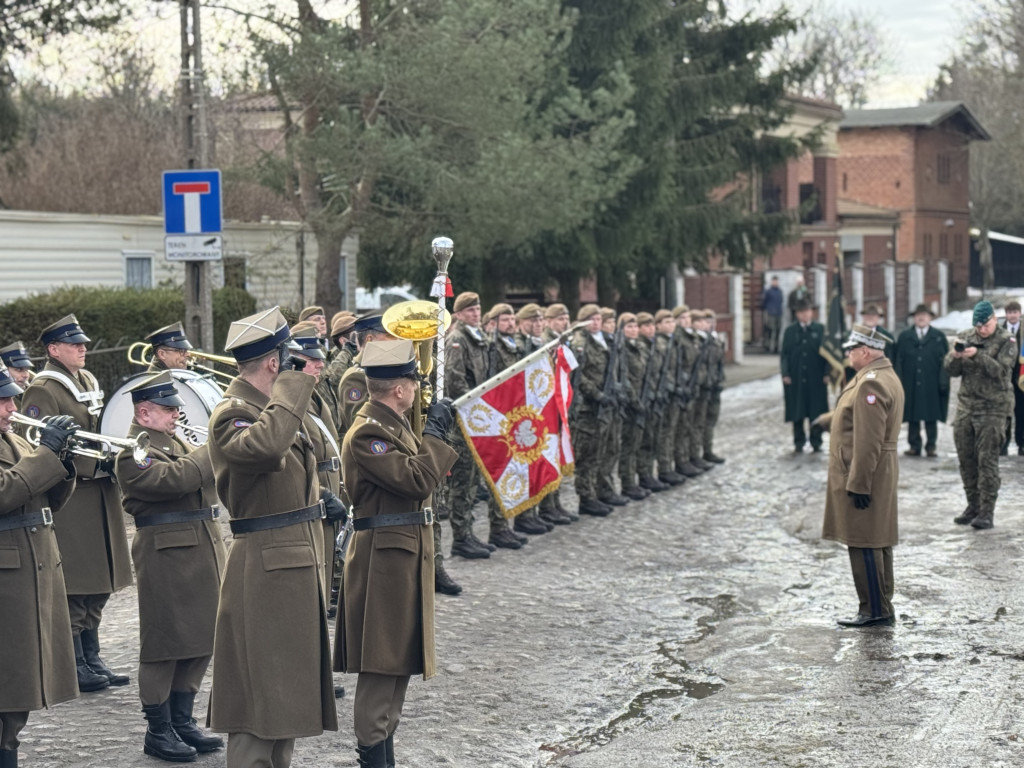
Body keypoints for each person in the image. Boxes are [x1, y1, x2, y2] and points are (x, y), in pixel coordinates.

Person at [206, 307, 337, 768]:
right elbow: (266, 450)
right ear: (273, 363)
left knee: (284, 707)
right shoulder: (232, 414)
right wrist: (291, 389)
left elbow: (296, 469)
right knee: (257, 704)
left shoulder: (269, 410)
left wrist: (320, 501)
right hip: (263, 567)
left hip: (291, 563)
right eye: (289, 359)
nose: (300, 368)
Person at [335, 339, 458, 768]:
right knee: (380, 666)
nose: (417, 390)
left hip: (401, 557)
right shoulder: (369, 432)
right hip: (382, 561)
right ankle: (372, 755)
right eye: (413, 381)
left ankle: (384, 751)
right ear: (400, 389)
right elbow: (415, 480)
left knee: (398, 664)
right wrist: (436, 438)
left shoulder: (394, 425)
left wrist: (430, 435)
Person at [113, 372, 227, 762]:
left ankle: (182, 719)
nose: (178, 412)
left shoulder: (176, 440)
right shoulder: (134, 450)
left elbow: (205, 485)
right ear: (144, 412)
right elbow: (173, 480)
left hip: (200, 548)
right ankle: (158, 728)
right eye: (168, 408)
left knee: (201, 639)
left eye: (176, 406)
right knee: (164, 644)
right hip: (166, 555)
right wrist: (213, 449)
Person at [21, 314, 133, 691]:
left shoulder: (86, 379)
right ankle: (75, 661)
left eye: (83, 343)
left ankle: (92, 655)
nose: (84, 348)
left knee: (100, 581)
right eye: (75, 344)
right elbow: (37, 441)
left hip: (100, 489)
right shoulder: (44, 388)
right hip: (74, 496)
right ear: (54, 350)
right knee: (77, 584)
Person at [0, 365, 80, 766]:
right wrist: (46, 455)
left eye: (12, 397)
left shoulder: (12, 439)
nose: (11, 407)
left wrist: (61, 463)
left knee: (20, 687)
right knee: (7, 682)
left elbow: (44, 502)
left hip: (31, 572)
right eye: (3, 400)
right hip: (7, 580)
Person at [820, 324, 904, 628]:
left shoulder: (871, 383)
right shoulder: (882, 375)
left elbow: (869, 439)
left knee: (865, 541)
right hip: (878, 469)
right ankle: (880, 604)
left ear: (864, 352)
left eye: (851, 349)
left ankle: (874, 610)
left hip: (866, 472)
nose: (847, 354)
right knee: (877, 540)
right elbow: (859, 418)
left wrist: (858, 483)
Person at [945, 300, 1017, 529]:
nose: (981, 330)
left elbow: (1002, 371)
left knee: (987, 461)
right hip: (967, 407)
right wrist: (955, 357)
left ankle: (987, 511)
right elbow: (950, 370)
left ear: (994, 320)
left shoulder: (1007, 341)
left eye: (985, 325)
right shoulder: (967, 336)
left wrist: (977, 354)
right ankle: (973, 505)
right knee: (966, 460)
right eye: (978, 326)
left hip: (993, 408)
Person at [444, 292, 496, 557]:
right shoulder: (457, 340)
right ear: (460, 313)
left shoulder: (478, 339)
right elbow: (454, 381)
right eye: (471, 310)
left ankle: (468, 533)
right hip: (464, 419)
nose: (477, 313)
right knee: (463, 481)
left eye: (478, 309)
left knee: (474, 480)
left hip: (477, 418)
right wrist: (477, 406)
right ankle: (460, 537)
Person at [569, 304, 614, 515]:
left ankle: (594, 493)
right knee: (586, 455)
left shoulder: (601, 340)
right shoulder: (580, 342)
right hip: (587, 407)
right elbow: (578, 374)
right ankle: (585, 497)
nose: (597, 323)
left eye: (599, 319)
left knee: (597, 452)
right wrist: (596, 394)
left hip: (601, 406)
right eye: (592, 319)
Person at [894, 304, 948, 457]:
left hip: (931, 382)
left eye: (924, 315)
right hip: (910, 382)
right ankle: (914, 445)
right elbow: (899, 361)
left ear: (930, 317)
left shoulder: (938, 337)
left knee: (931, 415)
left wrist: (943, 381)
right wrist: (898, 381)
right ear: (914, 318)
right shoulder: (905, 337)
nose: (921, 318)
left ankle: (931, 446)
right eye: (918, 315)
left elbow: (945, 361)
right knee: (912, 415)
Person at [780, 299, 829, 453]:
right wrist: (785, 373)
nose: (805, 315)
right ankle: (799, 441)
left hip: (816, 376)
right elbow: (785, 355)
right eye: (801, 312)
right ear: (797, 314)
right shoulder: (790, 331)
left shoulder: (820, 330)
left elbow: (828, 354)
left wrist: (828, 373)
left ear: (812, 312)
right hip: (796, 376)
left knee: (816, 410)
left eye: (807, 311)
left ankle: (816, 440)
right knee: (797, 409)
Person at [336, 315, 394, 436]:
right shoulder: (355, 377)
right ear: (369, 339)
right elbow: (361, 423)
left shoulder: (382, 370)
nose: (395, 341)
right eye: (389, 336)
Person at [616, 312, 649, 500]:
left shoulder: (640, 348)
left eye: (635, 326)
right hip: (628, 403)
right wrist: (634, 400)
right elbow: (624, 377)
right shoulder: (621, 349)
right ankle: (627, 482)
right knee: (627, 445)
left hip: (641, 399)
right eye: (629, 327)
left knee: (638, 442)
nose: (634, 330)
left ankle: (635, 479)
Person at [698, 309, 726, 465]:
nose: (710, 325)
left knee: (711, 419)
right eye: (707, 322)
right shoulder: (702, 341)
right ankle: (700, 452)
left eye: (712, 322)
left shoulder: (716, 339)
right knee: (700, 421)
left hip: (715, 384)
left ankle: (708, 449)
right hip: (704, 385)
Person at [1002, 300, 1024, 455]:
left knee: (1021, 412)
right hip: (1004, 379)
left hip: (1022, 378)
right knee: (1004, 412)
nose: (1012, 315)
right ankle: (1003, 443)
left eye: (1015, 312)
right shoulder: (1000, 331)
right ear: (1006, 314)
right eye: (1010, 312)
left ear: (1020, 313)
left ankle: (1021, 442)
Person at [761, 276, 784, 352]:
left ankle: (776, 347)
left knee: (778, 330)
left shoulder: (780, 291)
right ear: (771, 282)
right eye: (774, 281)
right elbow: (764, 302)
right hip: (770, 313)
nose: (775, 283)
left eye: (776, 281)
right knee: (770, 329)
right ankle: (767, 346)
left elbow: (781, 301)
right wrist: (766, 310)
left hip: (778, 313)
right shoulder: (768, 291)